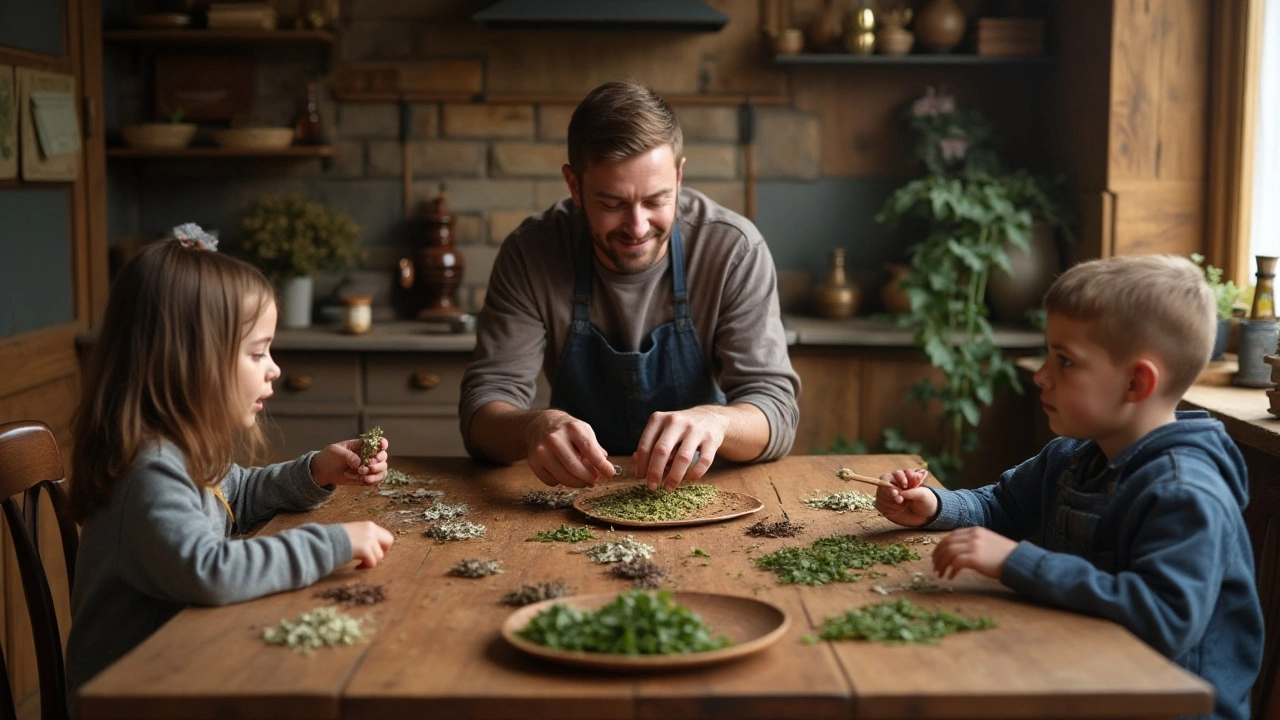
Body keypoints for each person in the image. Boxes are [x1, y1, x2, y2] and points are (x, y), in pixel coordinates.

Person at [875, 254, 1263, 720]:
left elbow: (1166, 619)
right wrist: (936, 505)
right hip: (1077, 673)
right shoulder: (1075, 454)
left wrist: (1018, 561)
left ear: (1136, 382)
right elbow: (1000, 505)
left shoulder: (1184, 491)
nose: (1041, 374)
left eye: (1064, 360)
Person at [65, 236, 395, 705]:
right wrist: (335, 543)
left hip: (188, 665)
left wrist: (316, 471)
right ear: (189, 359)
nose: (274, 369)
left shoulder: (178, 450)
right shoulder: (149, 469)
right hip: (137, 698)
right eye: (258, 352)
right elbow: (209, 570)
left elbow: (233, 495)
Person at [460, 80, 800, 491]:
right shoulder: (531, 251)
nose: (637, 227)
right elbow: (480, 414)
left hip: (699, 488)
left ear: (678, 177)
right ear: (574, 186)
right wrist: (535, 426)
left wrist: (718, 420)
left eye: (656, 200)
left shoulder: (732, 249)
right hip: (574, 493)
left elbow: (776, 411)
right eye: (612, 204)